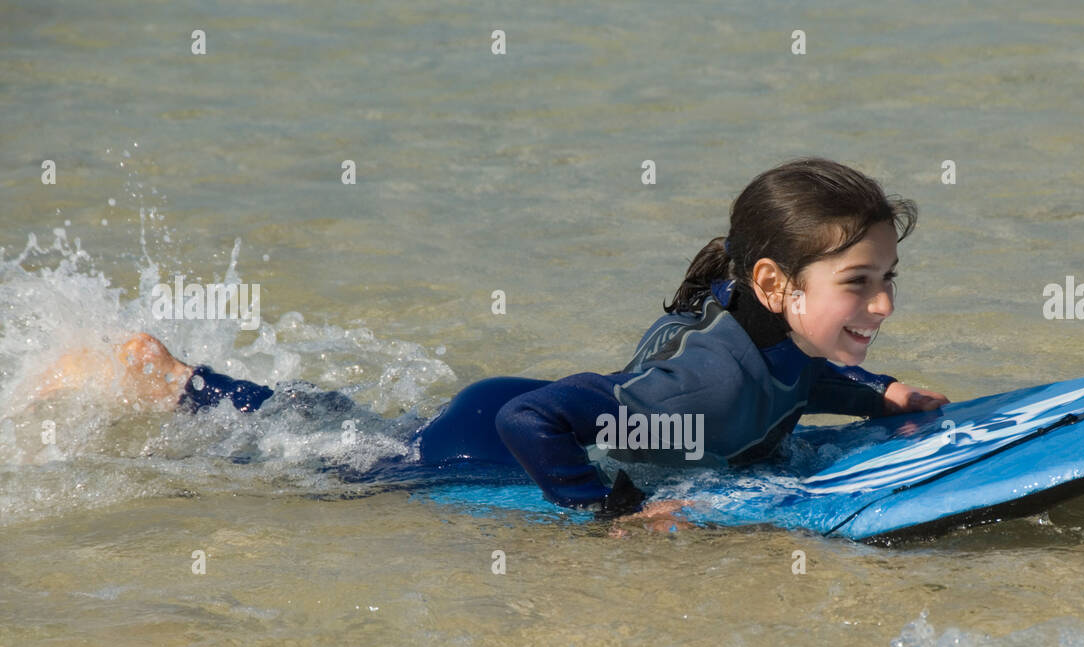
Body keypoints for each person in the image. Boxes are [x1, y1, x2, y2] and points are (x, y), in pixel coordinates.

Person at [27, 158, 947, 532]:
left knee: (340, 421)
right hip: (479, 439)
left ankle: (171, 373)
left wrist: (881, 395)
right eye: (858, 285)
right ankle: (168, 383)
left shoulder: (773, 340)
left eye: (887, 279)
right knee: (318, 458)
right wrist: (606, 512)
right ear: (775, 288)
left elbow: (792, 378)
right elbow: (530, 415)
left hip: (521, 411)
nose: (882, 304)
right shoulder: (696, 394)